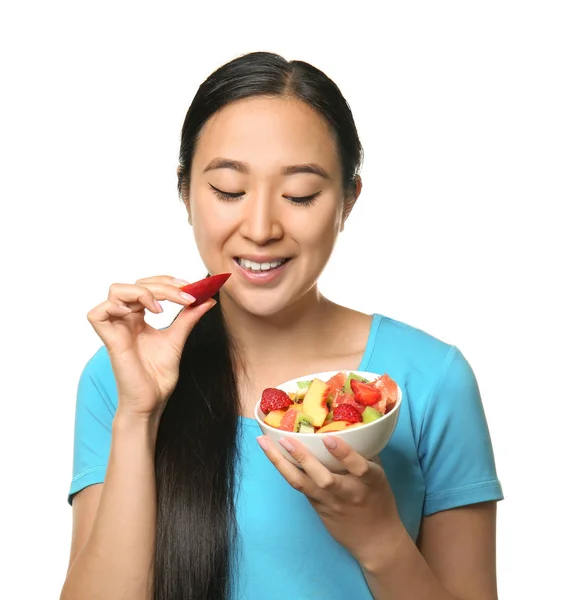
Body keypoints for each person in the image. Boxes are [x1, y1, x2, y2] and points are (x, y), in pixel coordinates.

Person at [61, 51, 503, 600]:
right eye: (228, 191)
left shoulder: (432, 380)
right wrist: (138, 415)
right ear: (185, 194)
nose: (262, 227)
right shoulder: (120, 378)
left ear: (347, 202)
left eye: (299, 195)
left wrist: (381, 542)